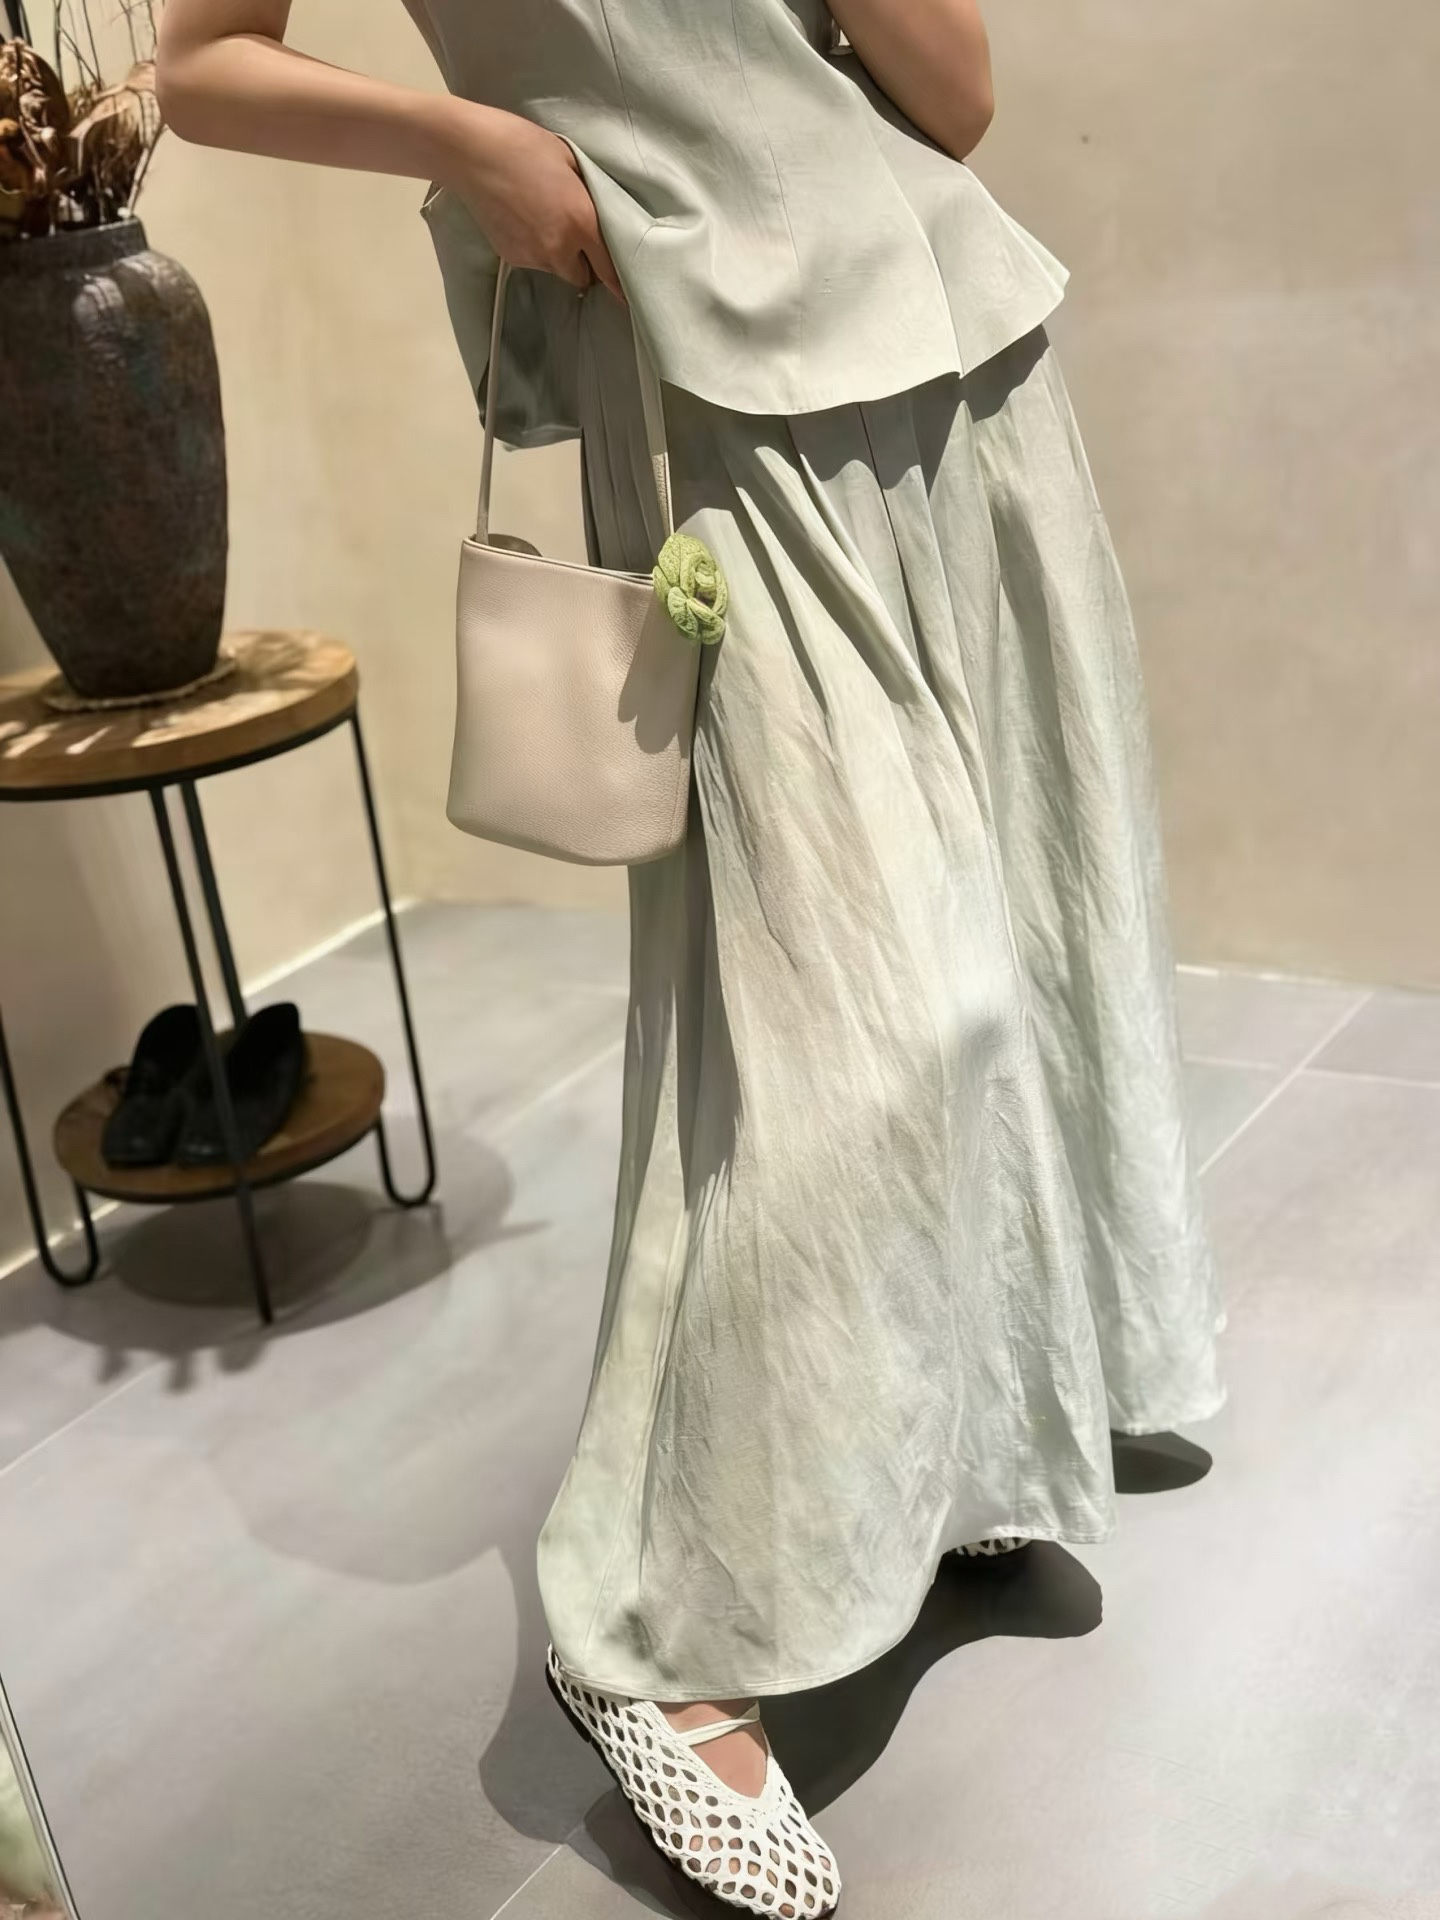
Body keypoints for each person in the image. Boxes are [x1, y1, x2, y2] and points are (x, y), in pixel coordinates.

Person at [155, 4, 1225, 1913]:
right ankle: (654, 1631)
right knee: (873, 1011)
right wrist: (472, 145)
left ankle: (962, 1443)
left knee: (1032, 922)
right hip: (709, 395)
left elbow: (958, 96)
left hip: (959, 357)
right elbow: (202, 69)